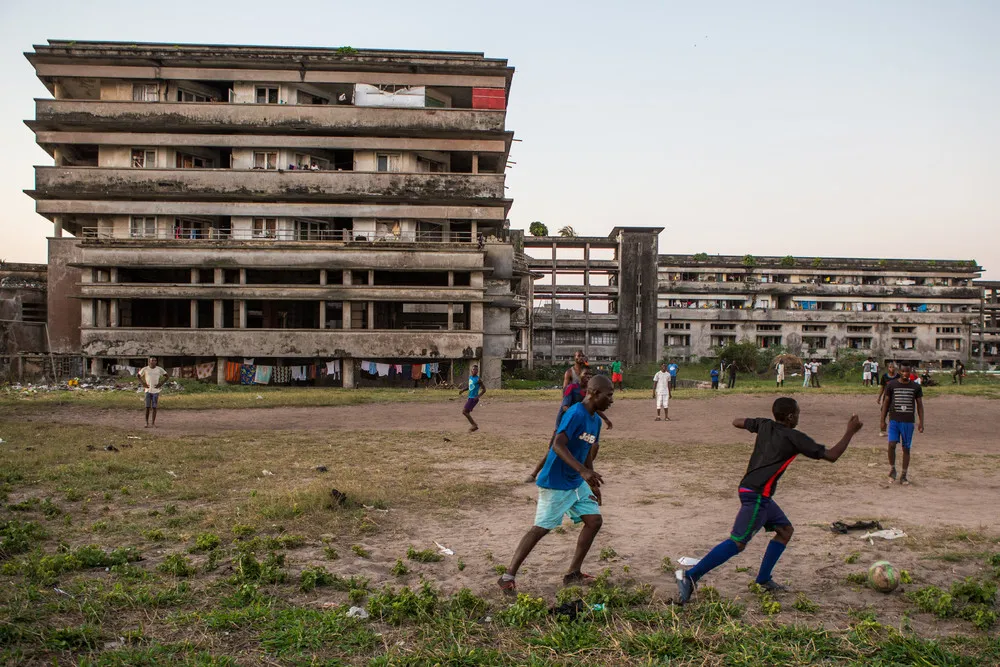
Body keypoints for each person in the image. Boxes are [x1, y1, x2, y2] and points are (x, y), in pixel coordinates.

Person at [675, 398, 863, 603]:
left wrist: (754, 424)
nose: (799, 416)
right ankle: (690, 576)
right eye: (798, 413)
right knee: (737, 543)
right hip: (757, 496)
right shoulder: (795, 438)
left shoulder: (765, 425)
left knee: (785, 531)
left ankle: (763, 579)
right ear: (791, 416)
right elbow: (832, 455)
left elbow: (737, 421)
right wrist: (850, 431)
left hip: (752, 490)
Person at [499, 375, 615, 593]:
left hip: (575, 481)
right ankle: (508, 575)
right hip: (555, 481)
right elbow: (557, 445)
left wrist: (590, 480)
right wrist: (582, 471)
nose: (612, 400)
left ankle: (573, 574)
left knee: (594, 521)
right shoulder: (576, 413)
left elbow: (587, 450)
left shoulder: (595, 421)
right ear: (594, 393)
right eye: (609, 395)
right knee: (541, 529)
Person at [525, 368, 612, 483]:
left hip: (574, 482)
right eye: (585, 374)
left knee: (590, 446)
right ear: (579, 375)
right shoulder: (573, 391)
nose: (588, 377)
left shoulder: (592, 412)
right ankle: (534, 473)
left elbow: (592, 407)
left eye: (590, 375)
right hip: (566, 422)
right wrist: (574, 416)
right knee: (553, 449)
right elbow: (565, 406)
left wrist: (590, 479)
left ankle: (581, 475)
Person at [879, 363, 924, 486]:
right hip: (894, 420)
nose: (905, 374)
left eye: (907, 372)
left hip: (908, 422)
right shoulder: (892, 385)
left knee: (906, 448)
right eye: (903, 371)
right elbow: (886, 403)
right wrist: (882, 421)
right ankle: (892, 468)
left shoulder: (915, 387)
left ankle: (904, 475)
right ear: (900, 371)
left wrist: (921, 422)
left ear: (910, 372)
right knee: (892, 444)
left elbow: (920, 405)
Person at [138, 356, 169, 428]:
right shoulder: (145, 369)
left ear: (156, 362)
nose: (153, 362)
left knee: (154, 407)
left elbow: (167, 376)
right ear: (149, 361)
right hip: (148, 391)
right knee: (147, 407)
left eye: (155, 360)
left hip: (156, 391)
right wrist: (143, 384)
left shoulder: (159, 369)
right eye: (152, 360)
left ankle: (153, 423)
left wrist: (161, 383)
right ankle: (146, 422)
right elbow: (138, 376)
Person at [458, 364, 486, 432]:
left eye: (476, 370)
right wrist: (463, 390)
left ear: (477, 371)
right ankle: (474, 425)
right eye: (473, 369)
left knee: (464, 412)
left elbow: (484, 389)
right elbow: (470, 387)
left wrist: (478, 396)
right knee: (466, 412)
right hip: (470, 397)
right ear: (471, 370)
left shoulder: (478, 379)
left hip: (473, 398)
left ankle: (474, 425)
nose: (475, 371)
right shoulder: (470, 377)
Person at [876, 362, 900, 436]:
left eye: (893, 367)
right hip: (886, 398)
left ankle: (892, 430)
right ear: (888, 368)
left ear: (895, 368)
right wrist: (879, 397)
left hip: (895, 398)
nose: (891, 369)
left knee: (893, 414)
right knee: (884, 413)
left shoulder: (898, 376)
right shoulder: (884, 376)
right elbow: (882, 387)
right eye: (890, 367)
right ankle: (882, 430)